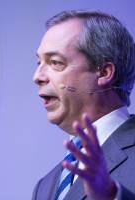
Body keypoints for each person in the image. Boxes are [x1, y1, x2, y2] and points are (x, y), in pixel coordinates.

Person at [32, 10, 135, 200]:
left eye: (55, 62)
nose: (37, 77)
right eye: (39, 62)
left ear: (104, 72)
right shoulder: (45, 187)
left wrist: (112, 196)